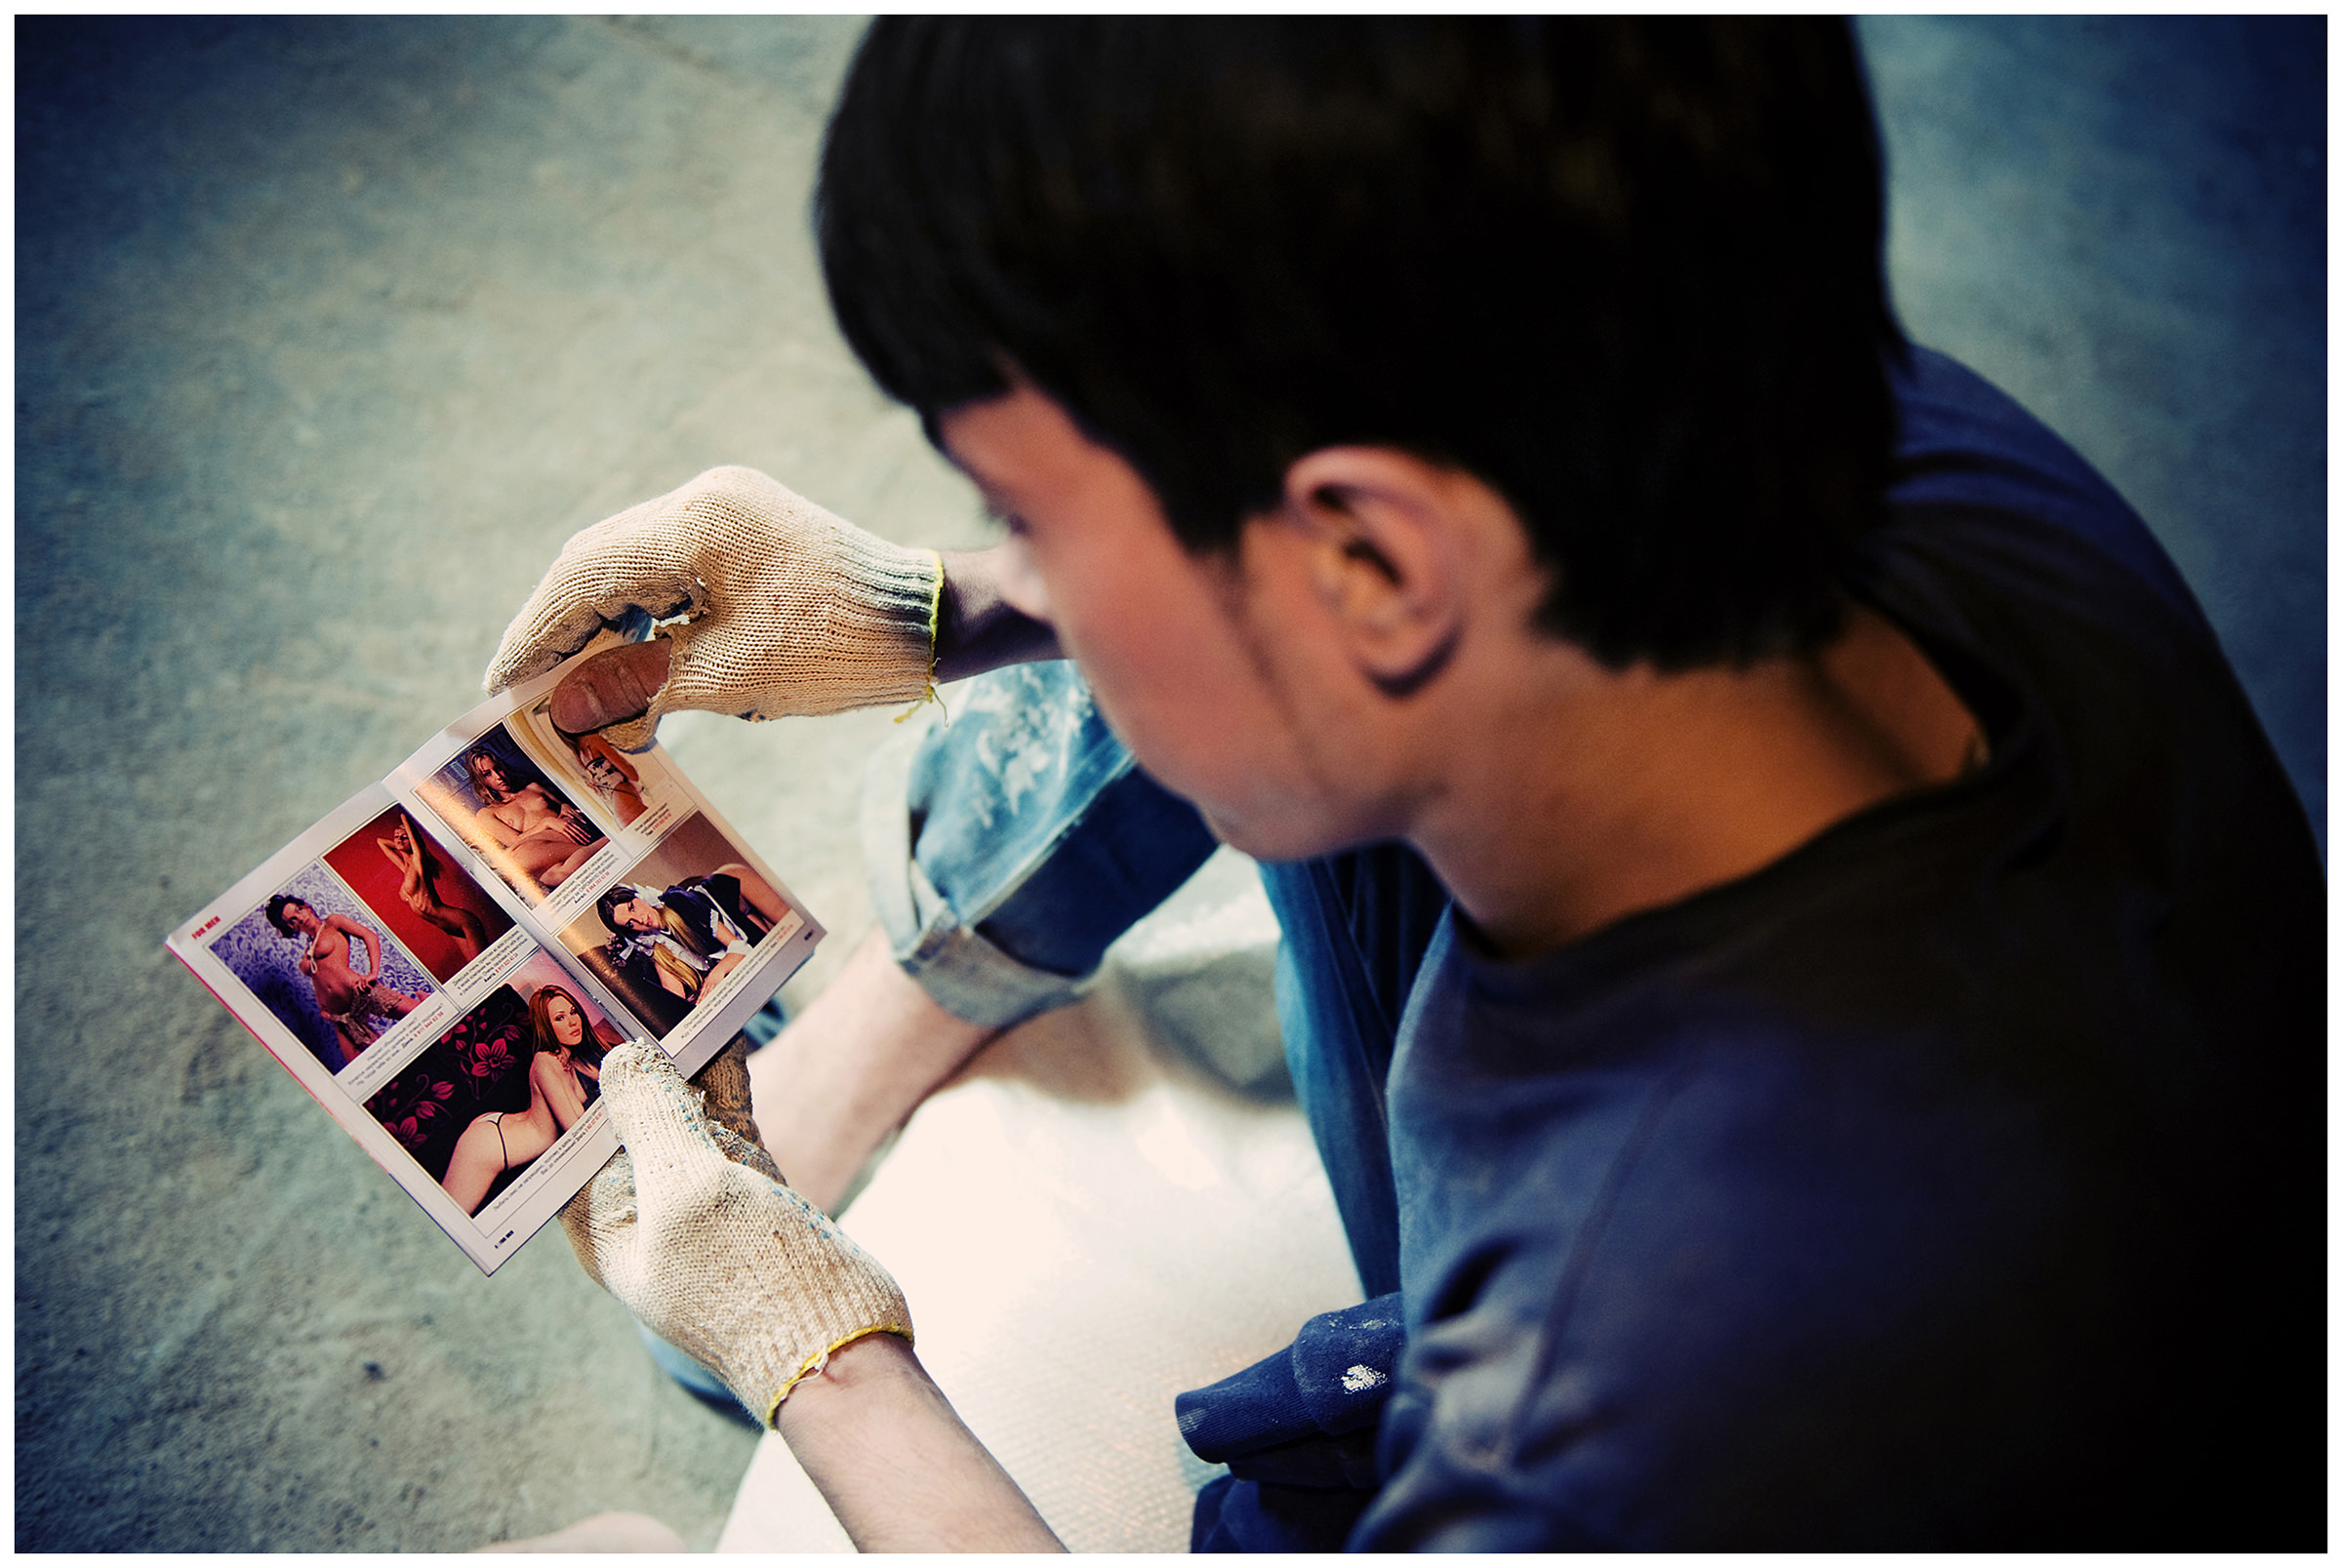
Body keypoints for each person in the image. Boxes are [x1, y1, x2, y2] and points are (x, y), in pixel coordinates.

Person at [485, 19, 2321, 1552]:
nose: (992, 556)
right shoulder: (1833, 414)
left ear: (1373, 564)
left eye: (1016, 507)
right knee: (1183, 630)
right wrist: (927, 615)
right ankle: (916, 1001)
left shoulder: (1647, 1377)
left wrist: (820, 1347)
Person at [441, 985, 606, 1215]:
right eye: (559, 1017)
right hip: (491, 1144)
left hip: (505, 1125)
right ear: (546, 1026)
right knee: (447, 1218)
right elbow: (576, 1127)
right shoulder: (544, 1061)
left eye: (573, 1012)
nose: (571, 1022)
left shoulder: (572, 1060)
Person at [264, 893, 424, 1061]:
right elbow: (319, 980)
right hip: (339, 1017)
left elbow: (369, 936)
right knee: (361, 1067)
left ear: (306, 906)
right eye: (292, 920)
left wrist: (373, 973)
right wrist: (323, 1007)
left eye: (298, 910)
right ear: (290, 927)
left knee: (422, 1013)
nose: (300, 918)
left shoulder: (332, 923)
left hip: (360, 992)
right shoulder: (308, 948)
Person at [596, 864, 782, 1006]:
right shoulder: (656, 946)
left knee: (790, 926)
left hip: (727, 897)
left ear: (639, 897)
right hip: (741, 940)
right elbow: (677, 1002)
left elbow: (739, 947)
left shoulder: (677, 901)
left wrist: (717, 973)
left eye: (632, 907)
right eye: (631, 923)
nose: (641, 920)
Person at [464, 745, 605, 890]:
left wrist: (564, 805)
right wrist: (547, 822)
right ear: (481, 781)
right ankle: (606, 843)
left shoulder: (533, 788)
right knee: (559, 872)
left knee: (554, 872)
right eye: (487, 774)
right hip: (537, 851)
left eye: (498, 768)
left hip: (563, 837)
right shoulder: (487, 813)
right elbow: (515, 841)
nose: (498, 776)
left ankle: (603, 844)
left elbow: (563, 804)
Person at [375, 810, 490, 964]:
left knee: (485, 967)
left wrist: (404, 819)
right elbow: (380, 841)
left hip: (463, 922)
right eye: (396, 837)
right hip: (447, 927)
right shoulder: (406, 867)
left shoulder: (418, 863)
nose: (399, 840)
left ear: (413, 840)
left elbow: (417, 848)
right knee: (476, 971)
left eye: (404, 838)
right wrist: (400, 839)